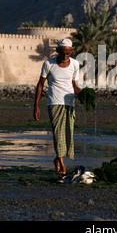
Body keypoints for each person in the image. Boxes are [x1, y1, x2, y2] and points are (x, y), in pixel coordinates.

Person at [33, 39, 81, 175]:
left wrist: (83, 94)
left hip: (70, 103)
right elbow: (40, 84)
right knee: (58, 132)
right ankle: (62, 164)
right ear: (58, 51)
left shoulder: (75, 64)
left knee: (68, 133)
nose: (65, 56)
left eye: (68, 54)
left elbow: (75, 85)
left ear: (71, 52)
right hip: (54, 102)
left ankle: (57, 158)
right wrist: (36, 106)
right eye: (63, 53)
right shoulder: (48, 64)